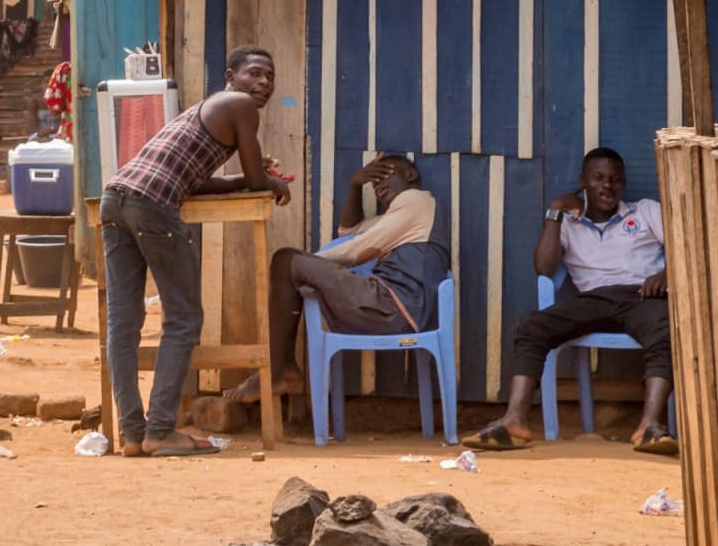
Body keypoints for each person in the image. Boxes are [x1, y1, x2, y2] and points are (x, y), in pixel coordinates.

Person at [102, 46, 289, 457]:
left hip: (115, 198)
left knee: (124, 323)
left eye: (269, 77)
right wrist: (270, 181)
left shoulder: (205, 110)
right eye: (254, 74)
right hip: (152, 207)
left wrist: (245, 179)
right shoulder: (240, 106)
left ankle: (132, 435)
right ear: (231, 76)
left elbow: (196, 182)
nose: (263, 84)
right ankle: (161, 430)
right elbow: (259, 181)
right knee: (185, 319)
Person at [463, 147, 676, 455]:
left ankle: (649, 427)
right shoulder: (569, 222)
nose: (607, 186)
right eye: (599, 178)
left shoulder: (645, 211)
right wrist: (554, 213)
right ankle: (514, 421)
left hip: (640, 295)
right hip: (590, 298)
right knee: (533, 326)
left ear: (624, 184)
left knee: (667, 331)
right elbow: (544, 268)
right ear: (583, 182)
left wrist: (668, 274)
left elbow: (687, 243)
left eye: (615, 180)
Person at [230, 154, 446, 404]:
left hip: (389, 304)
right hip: (396, 310)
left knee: (284, 260)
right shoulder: (403, 216)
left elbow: (355, 250)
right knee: (289, 264)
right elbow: (349, 231)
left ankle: (280, 369)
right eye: (373, 183)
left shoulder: (416, 200)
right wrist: (355, 184)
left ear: (410, 175)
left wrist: (302, 263)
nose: (377, 185)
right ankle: (283, 368)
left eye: (384, 174)